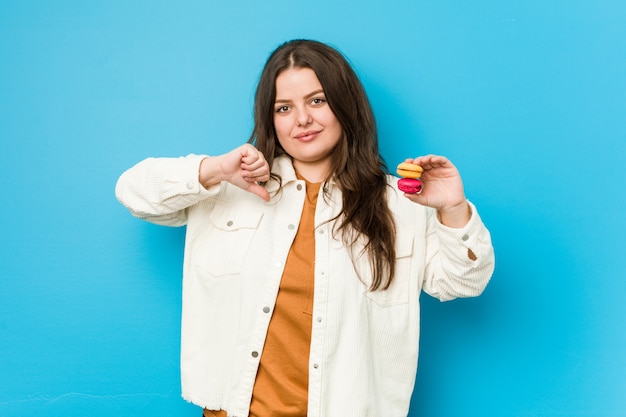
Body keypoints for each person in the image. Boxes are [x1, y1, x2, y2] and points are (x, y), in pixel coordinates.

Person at [115, 39, 495, 417]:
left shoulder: (400, 203)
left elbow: (462, 283)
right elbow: (132, 192)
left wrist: (453, 208)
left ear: (346, 105)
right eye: (284, 108)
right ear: (270, 118)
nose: (302, 120)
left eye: (317, 100)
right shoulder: (230, 187)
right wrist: (213, 170)